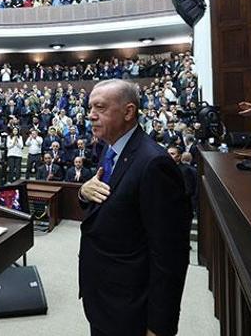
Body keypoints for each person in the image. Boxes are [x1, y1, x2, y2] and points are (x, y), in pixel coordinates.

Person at [78, 79, 189, 336]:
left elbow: (169, 254)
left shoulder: (155, 164)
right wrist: (83, 194)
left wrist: (160, 325)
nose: (91, 115)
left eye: (100, 108)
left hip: (130, 307)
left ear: (129, 112)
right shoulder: (109, 148)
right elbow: (107, 203)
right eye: (90, 108)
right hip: (104, 297)